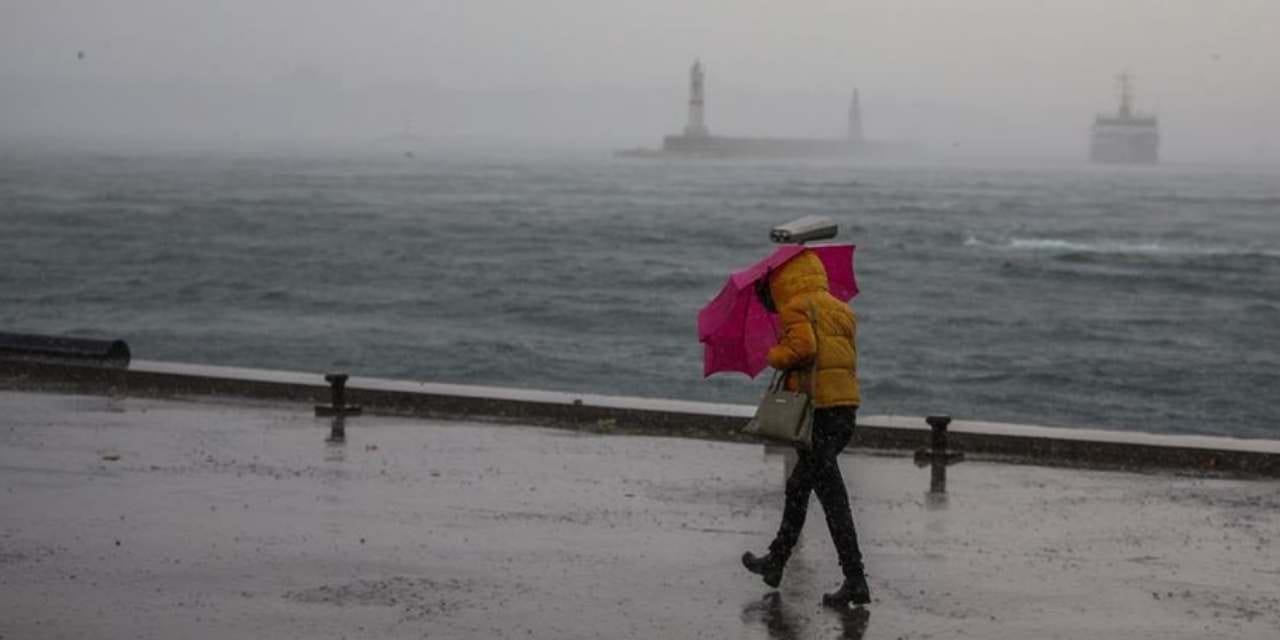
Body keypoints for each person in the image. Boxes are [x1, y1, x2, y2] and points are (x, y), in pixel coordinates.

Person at [742, 249, 870, 607]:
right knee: (801, 487)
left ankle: (855, 579)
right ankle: (777, 561)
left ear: (784, 280)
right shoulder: (841, 309)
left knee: (830, 498)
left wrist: (775, 355)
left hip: (818, 414)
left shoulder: (796, 307)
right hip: (844, 410)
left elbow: (804, 348)